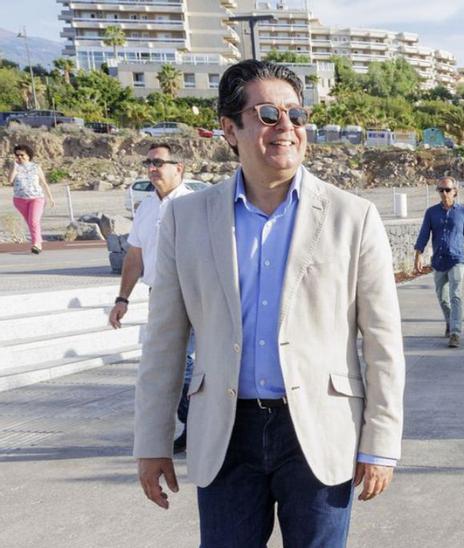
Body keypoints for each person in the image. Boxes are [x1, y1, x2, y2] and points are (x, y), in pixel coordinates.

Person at [133, 60, 406, 546]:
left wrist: (381, 443)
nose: (286, 127)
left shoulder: (353, 217)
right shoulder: (186, 219)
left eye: (295, 115)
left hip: (319, 431)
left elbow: (384, 342)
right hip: (224, 432)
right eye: (266, 114)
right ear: (229, 129)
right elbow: (164, 340)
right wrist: (152, 441)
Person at [110, 143, 196, 453]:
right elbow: (135, 256)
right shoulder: (145, 207)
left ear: (179, 167)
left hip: (193, 295)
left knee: (186, 361)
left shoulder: (195, 204)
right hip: (158, 294)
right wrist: (122, 298)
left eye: (158, 162)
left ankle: (194, 425)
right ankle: (192, 425)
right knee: (166, 363)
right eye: (149, 162)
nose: (152, 168)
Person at [414, 176, 464, 348]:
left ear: (455, 191)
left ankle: (455, 332)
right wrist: (418, 255)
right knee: (442, 298)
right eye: (440, 190)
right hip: (438, 261)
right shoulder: (431, 212)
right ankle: (450, 321)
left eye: (447, 190)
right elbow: (424, 235)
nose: (444, 193)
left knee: (455, 295)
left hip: (457, 259)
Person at [8, 144, 55, 254]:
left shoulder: (36, 166)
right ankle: (37, 241)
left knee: (33, 221)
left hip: (36, 198)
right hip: (20, 200)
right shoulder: (15, 166)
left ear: (28, 155)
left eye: (22, 155)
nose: (19, 157)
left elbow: (43, 182)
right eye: (17, 155)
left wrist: (51, 197)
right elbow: (10, 180)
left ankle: (36, 244)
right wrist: (14, 167)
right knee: (30, 222)